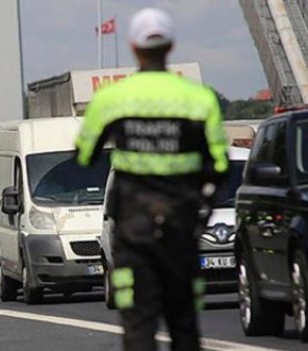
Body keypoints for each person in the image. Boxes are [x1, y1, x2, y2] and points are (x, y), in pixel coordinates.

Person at [75, 8, 229, 351]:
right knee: (184, 324)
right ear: (170, 45)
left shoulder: (111, 99)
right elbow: (219, 165)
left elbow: (83, 155)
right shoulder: (199, 100)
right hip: (181, 228)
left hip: (133, 231)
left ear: (133, 46)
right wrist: (201, 205)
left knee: (139, 326)